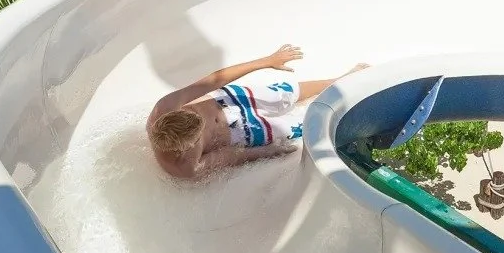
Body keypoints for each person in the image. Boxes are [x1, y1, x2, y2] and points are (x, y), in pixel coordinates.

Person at [147, 44, 367, 178]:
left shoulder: (163, 108)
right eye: (198, 132)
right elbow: (232, 156)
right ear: (186, 147)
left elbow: (213, 81)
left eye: (193, 116)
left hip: (227, 102)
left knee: (284, 94)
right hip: (242, 132)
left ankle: (339, 80)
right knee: (300, 124)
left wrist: (266, 61)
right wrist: (270, 152)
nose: (202, 124)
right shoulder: (187, 168)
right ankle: (347, 106)